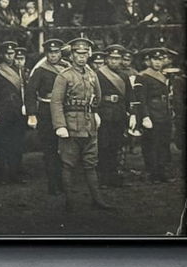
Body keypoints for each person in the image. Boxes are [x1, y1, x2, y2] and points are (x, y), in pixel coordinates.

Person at [50, 38, 111, 210]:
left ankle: (97, 200)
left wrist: (94, 113)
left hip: (89, 125)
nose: (82, 57)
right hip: (71, 126)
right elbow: (56, 102)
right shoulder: (64, 76)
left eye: (85, 53)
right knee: (68, 163)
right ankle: (70, 201)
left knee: (91, 163)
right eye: (78, 54)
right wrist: (60, 125)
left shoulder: (92, 74)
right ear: (71, 55)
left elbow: (98, 97)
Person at [26, 38, 67, 195]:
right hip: (46, 112)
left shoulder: (67, 68)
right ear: (46, 54)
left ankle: (64, 182)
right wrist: (32, 114)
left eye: (56, 52)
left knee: (65, 149)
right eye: (50, 52)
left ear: (60, 53)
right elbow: (30, 92)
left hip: (64, 111)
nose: (53, 55)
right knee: (50, 150)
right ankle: (53, 185)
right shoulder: (40, 71)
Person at [0, 42, 29, 184]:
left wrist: (25, 107)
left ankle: (15, 174)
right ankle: (3, 177)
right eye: (7, 54)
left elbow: (24, 92)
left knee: (17, 145)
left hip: (17, 114)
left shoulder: (20, 71)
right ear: (2, 55)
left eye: (12, 54)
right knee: (2, 146)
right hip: (2, 115)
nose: (10, 56)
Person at [95, 44, 135, 188]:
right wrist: (95, 113)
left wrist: (132, 114)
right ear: (106, 59)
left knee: (117, 145)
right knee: (103, 146)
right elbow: (94, 95)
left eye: (117, 58)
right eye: (111, 58)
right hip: (104, 114)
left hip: (119, 114)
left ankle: (115, 177)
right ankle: (103, 178)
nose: (114, 61)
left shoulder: (124, 76)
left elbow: (130, 96)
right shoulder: (98, 74)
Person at [133, 47, 176, 182]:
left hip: (164, 114)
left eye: (160, 60)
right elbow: (141, 99)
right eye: (155, 59)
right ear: (149, 61)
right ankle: (153, 173)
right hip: (152, 115)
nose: (158, 63)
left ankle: (161, 172)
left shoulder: (163, 75)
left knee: (163, 144)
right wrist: (145, 117)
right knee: (151, 145)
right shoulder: (143, 76)